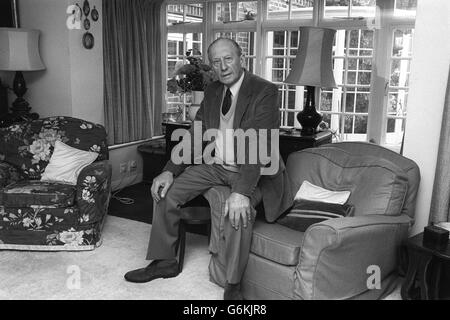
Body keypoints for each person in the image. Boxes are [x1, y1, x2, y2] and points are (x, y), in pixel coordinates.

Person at [124, 38, 293, 300]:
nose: (223, 66)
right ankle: (165, 261)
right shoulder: (213, 90)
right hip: (217, 165)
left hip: (255, 170)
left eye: (228, 58)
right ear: (211, 65)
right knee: (166, 191)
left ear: (241, 58)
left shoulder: (264, 91)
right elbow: (196, 134)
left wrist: (241, 193)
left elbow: (259, 145)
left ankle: (233, 286)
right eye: (216, 61)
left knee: (238, 211)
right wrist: (170, 169)